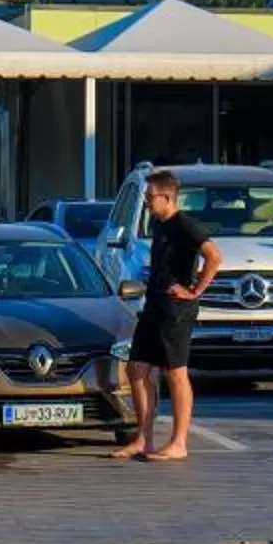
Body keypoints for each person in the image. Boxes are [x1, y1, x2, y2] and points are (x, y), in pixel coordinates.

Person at [113, 168, 219, 463]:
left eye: (150, 198)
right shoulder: (159, 224)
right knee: (136, 369)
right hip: (154, 304)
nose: (147, 203)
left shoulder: (185, 224)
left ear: (167, 197)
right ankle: (143, 438)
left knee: (175, 372)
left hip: (176, 308)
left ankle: (178, 442)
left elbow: (214, 256)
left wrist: (195, 290)